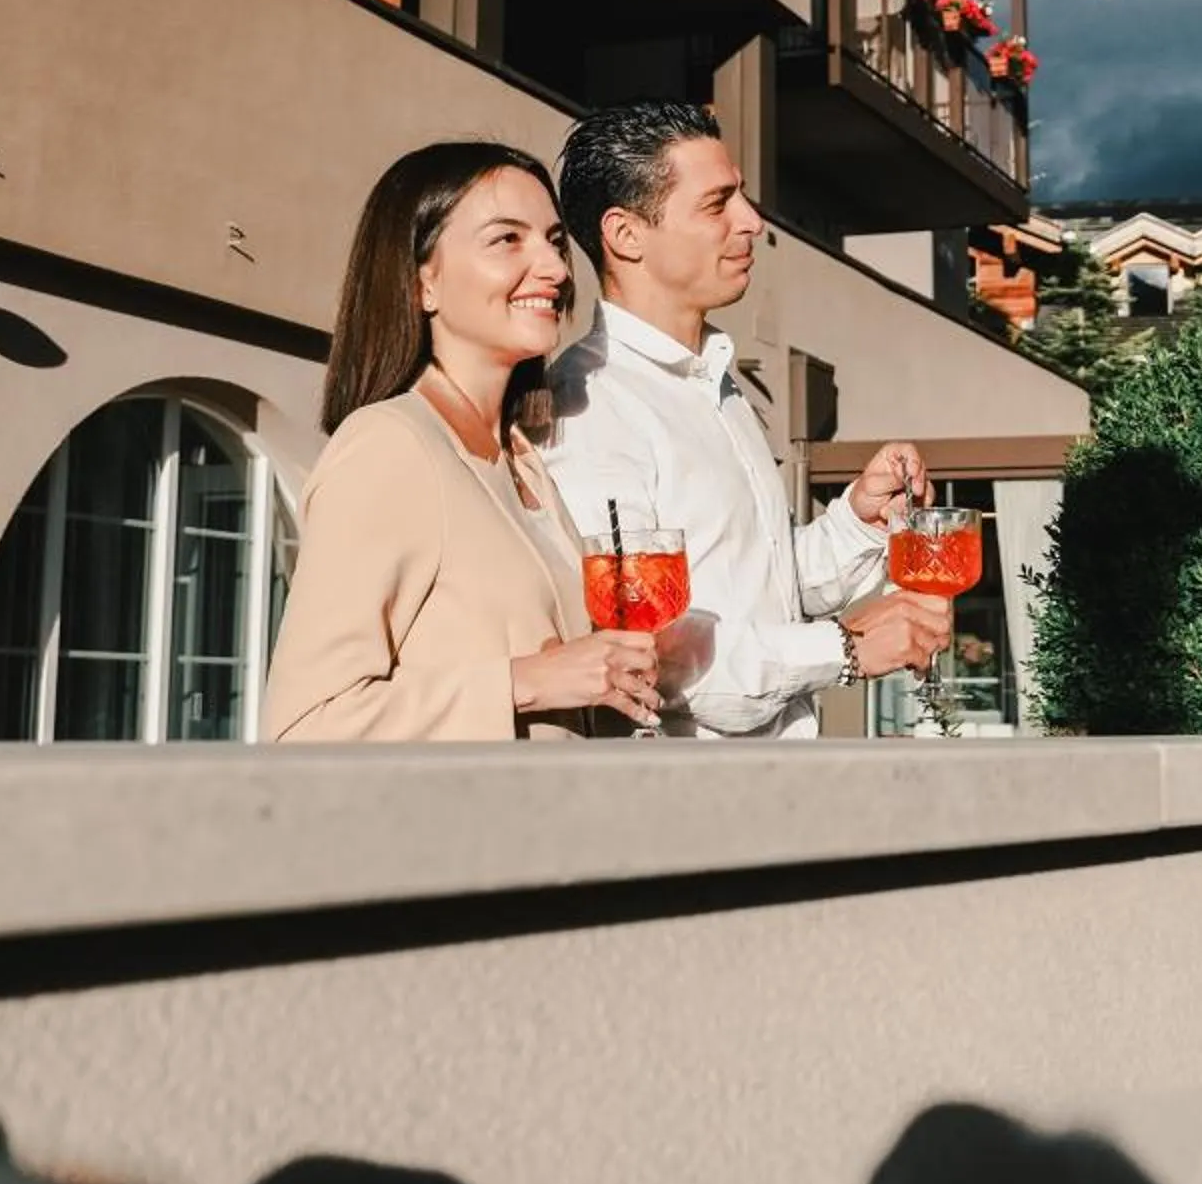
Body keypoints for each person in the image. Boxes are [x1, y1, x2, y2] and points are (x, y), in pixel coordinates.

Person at [541, 102, 951, 738]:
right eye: (717, 204)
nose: (752, 222)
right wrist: (845, 648)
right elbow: (660, 658)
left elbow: (766, 590)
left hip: (775, 788)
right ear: (626, 236)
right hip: (697, 811)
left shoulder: (713, 378)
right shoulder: (592, 402)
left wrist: (856, 520)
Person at [263, 142, 661, 740]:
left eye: (554, 241)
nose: (555, 268)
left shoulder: (522, 458)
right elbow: (303, 726)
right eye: (507, 239)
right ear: (423, 281)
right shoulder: (389, 446)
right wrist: (522, 681)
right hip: (460, 831)